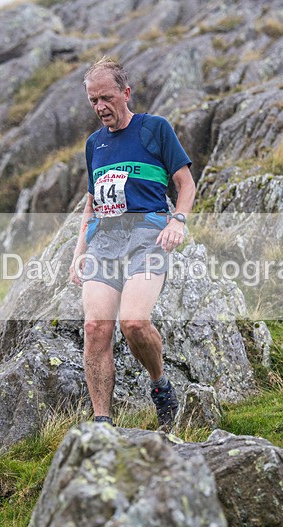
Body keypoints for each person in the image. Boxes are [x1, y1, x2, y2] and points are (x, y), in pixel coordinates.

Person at [69, 57, 196, 431]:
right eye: (93, 101)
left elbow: (185, 184)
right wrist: (79, 250)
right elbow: (92, 202)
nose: (100, 107)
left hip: (147, 236)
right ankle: (102, 423)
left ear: (126, 93)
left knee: (135, 322)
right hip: (105, 241)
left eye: (106, 98)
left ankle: (160, 387)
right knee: (95, 328)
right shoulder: (94, 144)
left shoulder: (155, 129)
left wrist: (179, 221)